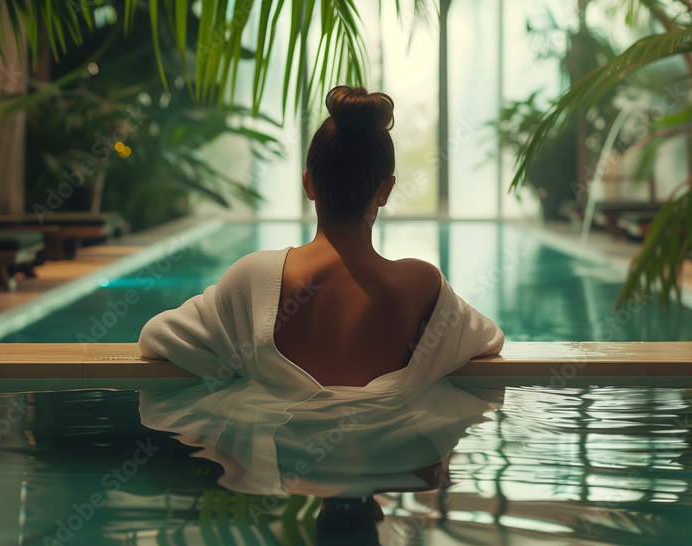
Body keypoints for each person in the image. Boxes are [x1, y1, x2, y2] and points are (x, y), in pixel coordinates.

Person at [138, 85, 503, 388]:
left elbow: (155, 338)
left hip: (274, 476)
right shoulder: (422, 285)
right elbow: (490, 339)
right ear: (386, 190)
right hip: (400, 474)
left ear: (308, 183)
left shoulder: (256, 279)